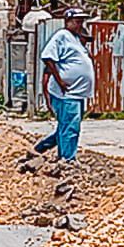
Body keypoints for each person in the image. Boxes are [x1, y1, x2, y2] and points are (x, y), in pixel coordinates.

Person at [33, 8, 96, 163]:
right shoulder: (62, 36)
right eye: (77, 21)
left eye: (82, 21)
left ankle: (41, 150)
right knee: (70, 126)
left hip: (77, 93)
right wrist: (60, 81)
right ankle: (68, 159)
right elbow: (48, 58)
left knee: (67, 126)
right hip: (67, 93)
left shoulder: (76, 40)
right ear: (68, 21)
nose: (80, 24)